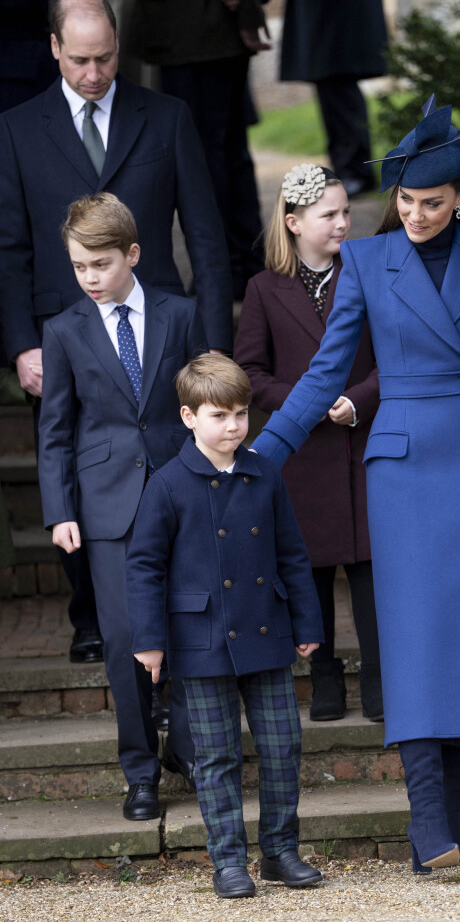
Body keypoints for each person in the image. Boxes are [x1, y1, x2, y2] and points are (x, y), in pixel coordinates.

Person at [250, 96, 460, 872]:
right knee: (419, 644)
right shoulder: (365, 260)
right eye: (404, 200)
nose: (415, 215)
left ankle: (458, 822)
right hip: (401, 471)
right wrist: (260, 455)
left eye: (431, 202)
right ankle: (428, 824)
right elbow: (327, 372)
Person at [0, 0, 232, 663]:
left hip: (160, 335)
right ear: (53, 49)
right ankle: (92, 614)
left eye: (104, 59)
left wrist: (212, 342)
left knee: (158, 462)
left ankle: (167, 604)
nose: (94, 73)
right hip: (60, 333)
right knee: (75, 462)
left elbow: (207, 236)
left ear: (118, 49)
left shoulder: (167, 117)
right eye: (79, 61)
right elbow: (9, 248)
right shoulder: (16, 128)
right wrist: (21, 343)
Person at [126, 354, 324, 898]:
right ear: (189, 417)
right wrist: (148, 640)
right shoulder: (167, 484)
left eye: (241, 414)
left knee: (283, 746)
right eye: (220, 415)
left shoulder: (266, 475)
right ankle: (228, 862)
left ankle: (281, 851)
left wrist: (306, 621)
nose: (234, 426)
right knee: (215, 757)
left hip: (267, 630)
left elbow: (292, 554)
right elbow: (144, 565)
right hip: (200, 639)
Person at [37, 192, 207, 820]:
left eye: (101, 265)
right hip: (105, 507)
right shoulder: (63, 331)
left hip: (180, 490)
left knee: (192, 623)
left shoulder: (180, 314)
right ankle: (140, 771)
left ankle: (189, 748)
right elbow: (55, 429)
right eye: (80, 267)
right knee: (124, 639)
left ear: (133, 254)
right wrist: (60, 511)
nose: (90, 278)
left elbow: (205, 400)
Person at [235, 163, 382, 722]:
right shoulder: (263, 289)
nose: (344, 223)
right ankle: (324, 677)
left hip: (363, 442)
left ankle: (378, 676)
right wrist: (306, 400)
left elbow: (394, 356)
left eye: (346, 212)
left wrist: (358, 399)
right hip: (302, 456)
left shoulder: (368, 272)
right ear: (294, 222)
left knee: (370, 570)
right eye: (331, 215)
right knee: (309, 573)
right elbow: (249, 371)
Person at [130, 0, 269, 301]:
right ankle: (244, 266)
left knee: (207, 158)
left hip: (198, 28)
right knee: (225, 154)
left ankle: (229, 272)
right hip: (194, 27)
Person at [280, 0, 387, 197]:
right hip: (325, 7)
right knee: (331, 87)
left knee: (340, 86)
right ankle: (347, 170)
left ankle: (355, 171)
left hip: (336, 10)